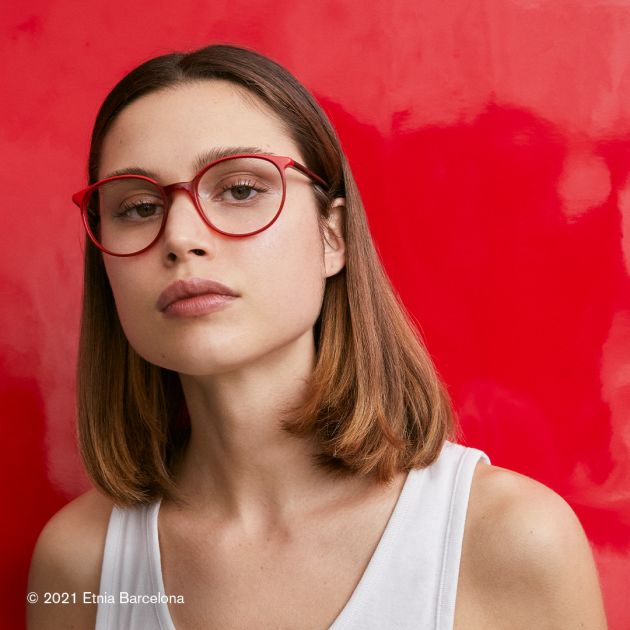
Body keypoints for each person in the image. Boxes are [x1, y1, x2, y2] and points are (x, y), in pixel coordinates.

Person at [27, 44, 607, 630]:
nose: (179, 236)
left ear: (333, 236)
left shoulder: (509, 539)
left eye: (241, 189)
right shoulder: (80, 566)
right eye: (139, 206)